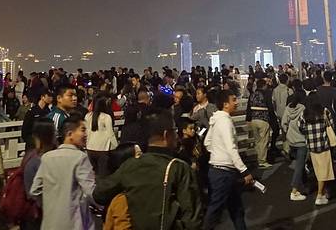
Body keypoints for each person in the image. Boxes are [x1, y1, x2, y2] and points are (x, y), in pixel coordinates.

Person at [94, 109, 202, 230]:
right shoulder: (179, 168)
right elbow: (192, 218)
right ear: (166, 135)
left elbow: (99, 194)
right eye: (175, 131)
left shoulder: (131, 165)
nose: (177, 136)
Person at [30, 114, 97, 230]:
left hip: (50, 222)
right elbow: (91, 191)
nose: (86, 134)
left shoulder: (47, 157)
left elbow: (35, 190)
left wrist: (50, 202)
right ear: (70, 134)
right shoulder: (80, 158)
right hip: (74, 222)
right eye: (82, 130)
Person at [203, 90, 254, 229]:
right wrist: (244, 170)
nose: (236, 103)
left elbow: (207, 142)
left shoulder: (216, 119)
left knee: (236, 208)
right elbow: (231, 148)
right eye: (234, 100)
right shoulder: (225, 121)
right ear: (225, 104)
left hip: (219, 170)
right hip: (223, 173)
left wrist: (217, 153)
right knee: (215, 210)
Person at [22, 119, 57, 230]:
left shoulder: (30, 156)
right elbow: (33, 192)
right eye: (54, 132)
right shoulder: (39, 160)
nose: (56, 135)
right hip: (39, 213)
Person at [299, 100, 335, 206]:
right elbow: (331, 125)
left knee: (318, 170)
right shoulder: (324, 111)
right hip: (323, 145)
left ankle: (323, 192)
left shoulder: (304, 113)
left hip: (311, 146)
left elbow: (301, 127)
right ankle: (320, 195)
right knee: (324, 170)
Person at [281, 90, 308, 201]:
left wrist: (287, 132)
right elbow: (305, 125)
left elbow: (283, 123)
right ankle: (294, 191)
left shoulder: (288, 108)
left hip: (291, 140)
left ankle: (304, 183)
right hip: (301, 141)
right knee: (299, 166)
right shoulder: (303, 109)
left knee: (299, 163)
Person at [85, 97, 118, 174]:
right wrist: (117, 146)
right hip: (102, 149)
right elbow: (110, 134)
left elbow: (86, 132)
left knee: (92, 174)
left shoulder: (88, 116)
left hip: (89, 148)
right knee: (102, 175)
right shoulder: (106, 117)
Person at [246, 78, 272, 168]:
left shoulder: (252, 95)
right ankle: (262, 161)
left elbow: (248, 108)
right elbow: (270, 107)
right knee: (264, 141)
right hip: (263, 119)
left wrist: (248, 119)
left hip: (253, 119)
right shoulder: (266, 94)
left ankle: (259, 158)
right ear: (264, 86)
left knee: (257, 141)